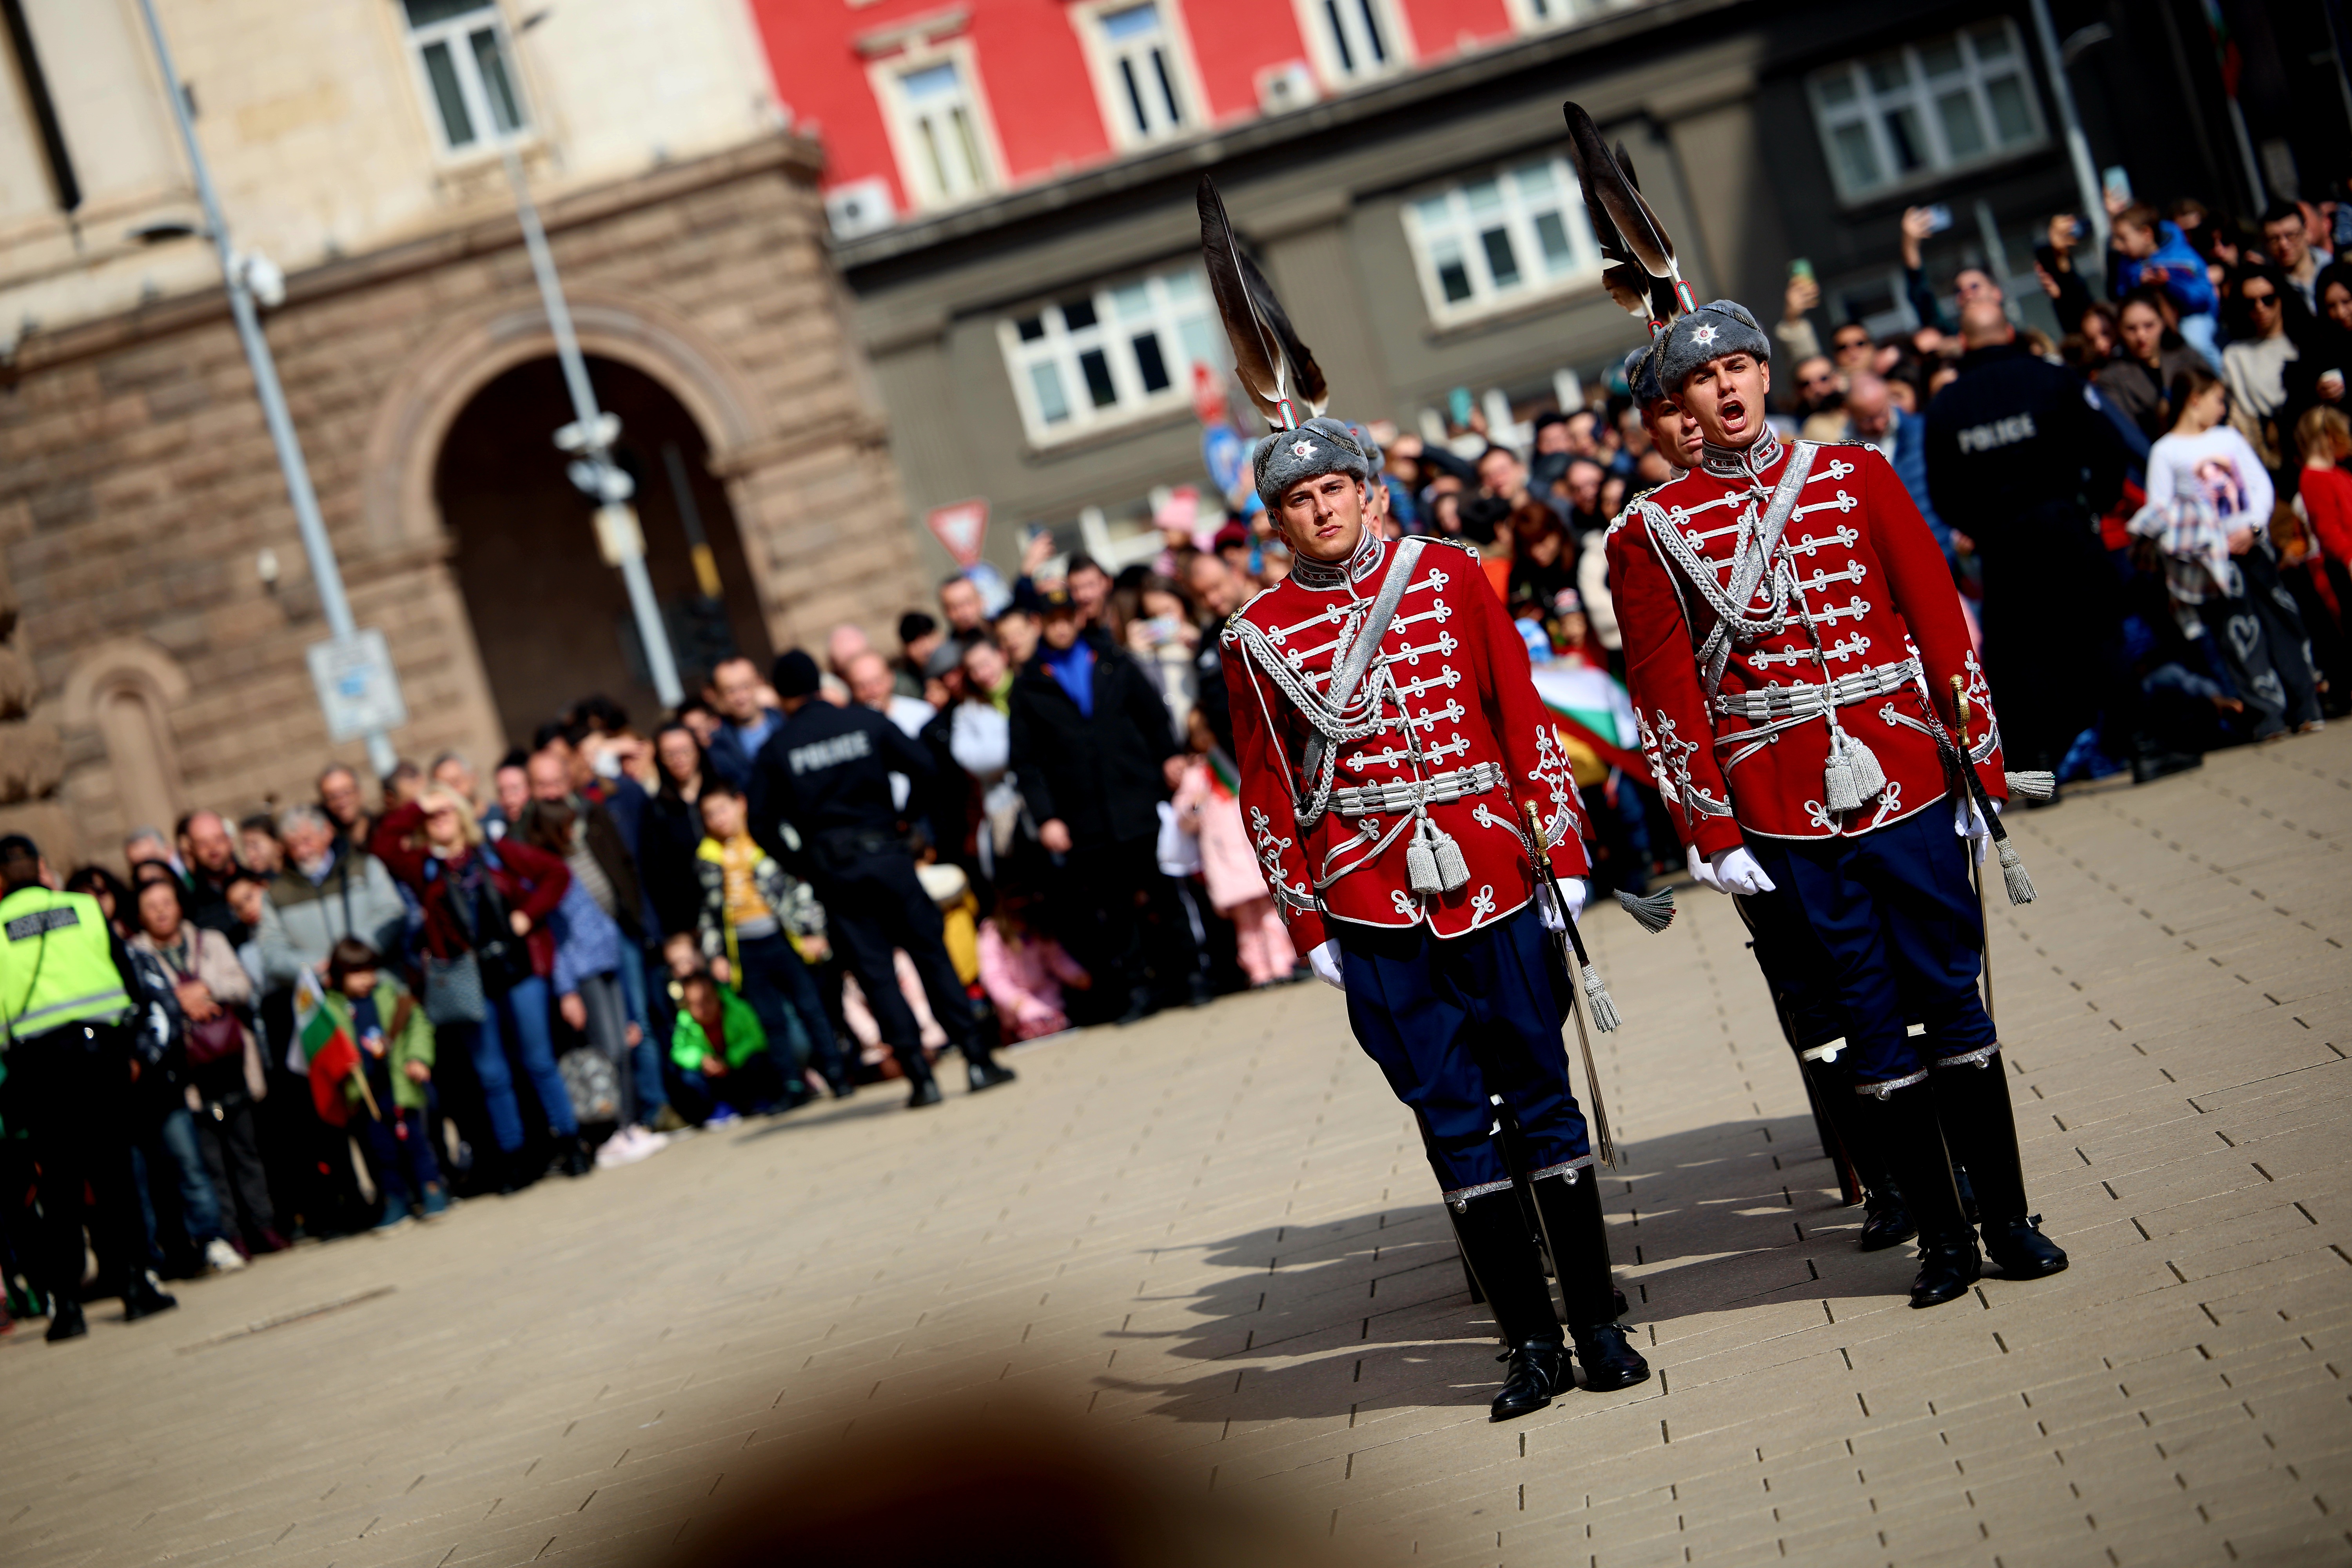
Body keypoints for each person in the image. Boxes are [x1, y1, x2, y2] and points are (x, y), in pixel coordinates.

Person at [1214, 257, 1640, 1423]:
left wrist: (1558, 847)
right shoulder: (1254, 637)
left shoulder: (1448, 577)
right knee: (1451, 1118)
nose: (1320, 509)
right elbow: (1265, 792)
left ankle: (1596, 1324)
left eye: (1334, 490)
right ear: (1275, 520)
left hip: (1492, 869)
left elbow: (1521, 718)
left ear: (1367, 490)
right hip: (1368, 898)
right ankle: (1525, 1346)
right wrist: (1305, 917)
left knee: (1541, 1097)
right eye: (1296, 501)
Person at [1608, 298, 2069, 1317]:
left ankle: (2007, 1218)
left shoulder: (1854, 475)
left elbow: (1940, 620)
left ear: (1767, 376)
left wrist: (1980, 772)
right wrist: (1711, 831)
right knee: (1866, 1016)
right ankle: (1941, 1238)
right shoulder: (1650, 535)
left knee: (1953, 996)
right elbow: (1667, 695)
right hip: (1781, 809)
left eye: (1740, 367)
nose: (1725, 389)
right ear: (1677, 402)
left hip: (1903, 777)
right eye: (1702, 378)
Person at [1926, 299, 2192, 785]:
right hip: (2065, 528)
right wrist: (2092, 505)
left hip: (2003, 544)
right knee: (2101, 638)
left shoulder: (1946, 406)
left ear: (1963, 343)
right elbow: (2108, 450)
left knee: (2021, 655)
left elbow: (1942, 494)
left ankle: (2035, 769)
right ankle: (2144, 748)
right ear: (2009, 330)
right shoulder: (2051, 378)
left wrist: (1984, 527)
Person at [748, 650, 1015, 1105]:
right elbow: (927, 769)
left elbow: (760, 822)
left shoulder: (778, 749)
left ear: (782, 695)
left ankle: (921, 1078)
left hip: (835, 871)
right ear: (819, 683)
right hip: (888, 856)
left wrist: (801, 862)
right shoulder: (863, 722)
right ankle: (976, 1060)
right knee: (931, 954)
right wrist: (906, 823)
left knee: (877, 974)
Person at [0, 835, 178, 1339]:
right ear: (41, 866)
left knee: (58, 1188)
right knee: (115, 1177)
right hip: (100, 1054)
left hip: (39, 1066)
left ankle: (68, 1307)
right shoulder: (83, 908)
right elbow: (129, 980)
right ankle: (136, 1288)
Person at [372, 784, 591, 1186]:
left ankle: (571, 1141)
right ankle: (515, 1157)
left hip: (517, 969)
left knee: (539, 1062)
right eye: (432, 818)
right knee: (492, 1074)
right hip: (467, 982)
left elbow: (556, 874)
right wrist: (420, 805)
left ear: (462, 816)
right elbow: (382, 844)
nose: (440, 820)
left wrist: (528, 914)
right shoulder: (424, 867)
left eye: (447, 812)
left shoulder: (495, 852)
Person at [1008, 587, 1206, 1024]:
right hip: (1083, 816)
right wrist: (1047, 817)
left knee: (1164, 892)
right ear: (1040, 624)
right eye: (1051, 618)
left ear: (1077, 618)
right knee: (1115, 907)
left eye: (1067, 616)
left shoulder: (1112, 660)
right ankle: (1138, 987)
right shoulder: (1029, 684)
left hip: (1135, 797)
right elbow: (1027, 762)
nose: (1061, 625)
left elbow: (1152, 714)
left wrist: (1169, 756)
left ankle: (1192, 974)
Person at [2132, 368, 2322, 739]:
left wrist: (2253, 528)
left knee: (2281, 619)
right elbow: (2162, 508)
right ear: (2196, 399)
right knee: (2239, 634)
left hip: (2253, 545)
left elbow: (2258, 485)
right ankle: (2268, 716)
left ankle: (2306, 705)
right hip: (2212, 560)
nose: (2223, 409)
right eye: (2219, 400)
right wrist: (2204, 540)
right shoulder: (2166, 451)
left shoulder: (2228, 438)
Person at [129, 869, 279, 1256]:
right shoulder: (136, 955)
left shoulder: (210, 940)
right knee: (208, 1161)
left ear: (180, 904)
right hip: (187, 1071)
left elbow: (243, 985)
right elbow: (140, 1009)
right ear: (141, 915)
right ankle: (231, 1233)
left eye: (167, 903)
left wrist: (208, 990)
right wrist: (178, 1002)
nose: (162, 913)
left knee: (247, 1151)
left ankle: (263, 1224)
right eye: (152, 907)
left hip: (230, 1059)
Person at [694, 779, 851, 1102]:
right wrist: (716, 956)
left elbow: (801, 889)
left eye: (723, 809)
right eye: (710, 815)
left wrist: (814, 933)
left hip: (784, 940)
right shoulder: (707, 857)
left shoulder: (767, 838)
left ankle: (836, 1073)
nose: (719, 819)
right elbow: (709, 913)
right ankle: (791, 1085)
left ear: (741, 804)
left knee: (812, 1009)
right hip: (745, 949)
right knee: (770, 1021)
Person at [318, 938, 446, 1225]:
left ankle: (432, 1190)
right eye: (356, 973)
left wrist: (417, 1058)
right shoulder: (331, 1009)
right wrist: (341, 1067)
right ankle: (395, 1201)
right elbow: (324, 1048)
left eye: (370, 970)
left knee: (415, 1142)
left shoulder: (391, 996)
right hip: (366, 1094)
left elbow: (419, 1026)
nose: (366, 979)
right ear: (339, 976)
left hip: (399, 1085)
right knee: (382, 1150)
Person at [1169, 711, 1296, 987]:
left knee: (1271, 913)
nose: (1203, 738)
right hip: (1224, 855)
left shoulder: (1232, 758)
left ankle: (1282, 963)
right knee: (1246, 923)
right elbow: (1182, 814)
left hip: (1252, 850)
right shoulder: (1196, 774)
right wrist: (1194, 806)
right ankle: (1258, 970)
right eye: (1196, 735)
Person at [668, 969, 780, 1125]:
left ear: (717, 994)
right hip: (713, 1077)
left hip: (739, 1069)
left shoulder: (736, 1007)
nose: (704, 1008)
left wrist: (730, 1059)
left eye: (707, 1000)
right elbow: (678, 1052)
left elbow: (757, 1037)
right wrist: (702, 1060)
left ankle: (760, 1099)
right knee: (689, 1078)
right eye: (696, 1005)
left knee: (757, 1060)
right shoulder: (685, 1022)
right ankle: (719, 1108)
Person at [975, 893, 1090, 1041]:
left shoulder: (1037, 929)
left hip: (1046, 994)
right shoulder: (993, 934)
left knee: (1053, 1021)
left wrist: (1076, 976)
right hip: (1015, 1003)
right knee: (1034, 1023)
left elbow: (1057, 958)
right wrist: (1015, 1001)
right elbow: (994, 977)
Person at [2097, 289, 2205, 443]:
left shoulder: (2186, 356)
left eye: (2149, 326)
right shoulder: (2112, 379)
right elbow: (2129, 434)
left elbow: (2220, 397)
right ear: (2120, 330)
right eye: (2131, 329)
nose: (2141, 336)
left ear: (2162, 323)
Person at [705, 654, 787, 790]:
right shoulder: (718, 746)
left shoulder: (787, 723)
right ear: (719, 695)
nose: (740, 697)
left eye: (745, 687)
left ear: (759, 682)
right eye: (730, 691)